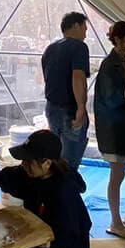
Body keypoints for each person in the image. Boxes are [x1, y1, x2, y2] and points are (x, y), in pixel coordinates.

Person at [93, 20, 125, 240]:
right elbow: (113, 98)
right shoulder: (109, 65)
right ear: (118, 39)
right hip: (114, 128)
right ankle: (116, 221)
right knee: (117, 174)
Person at [41, 12, 91, 170]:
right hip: (69, 110)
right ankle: (67, 185)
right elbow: (78, 77)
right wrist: (81, 108)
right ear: (76, 25)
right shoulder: (79, 47)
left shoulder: (50, 48)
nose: (85, 34)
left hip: (52, 108)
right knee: (70, 162)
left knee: (55, 158)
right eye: (84, 28)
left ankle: (54, 185)